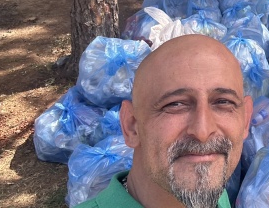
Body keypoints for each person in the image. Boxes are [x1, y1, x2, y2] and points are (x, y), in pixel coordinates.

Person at [75, 35, 253, 208]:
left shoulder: (213, 190)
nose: (203, 131)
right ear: (131, 126)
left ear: (245, 120)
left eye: (223, 102)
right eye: (175, 104)